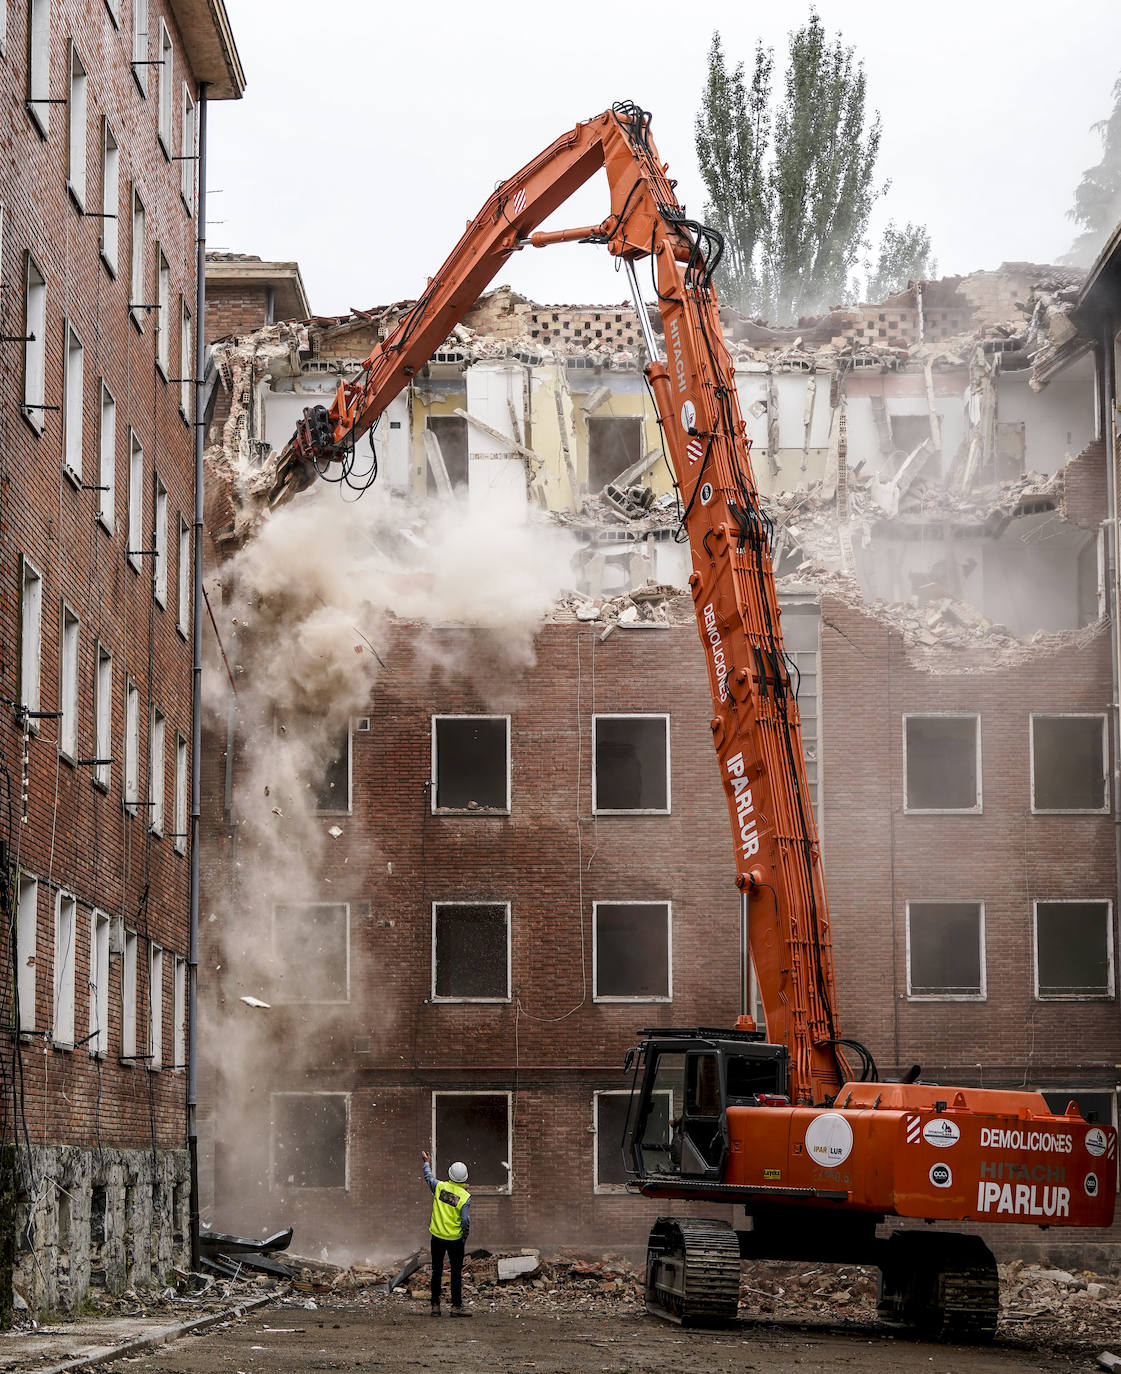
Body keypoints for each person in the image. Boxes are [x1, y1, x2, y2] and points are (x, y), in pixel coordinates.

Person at [421, 1150, 471, 1316]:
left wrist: (426, 1162)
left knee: (437, 1271)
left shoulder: (439, 1187)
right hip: (455, 1240)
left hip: (437, 1238)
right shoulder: (464, 1197)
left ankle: (435, 1306)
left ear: (449, 1174)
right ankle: (456, 1307)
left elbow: (428, 1177)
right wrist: (464, 1235)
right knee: (456, 1273)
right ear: (465, 1178)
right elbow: (465, 1221)